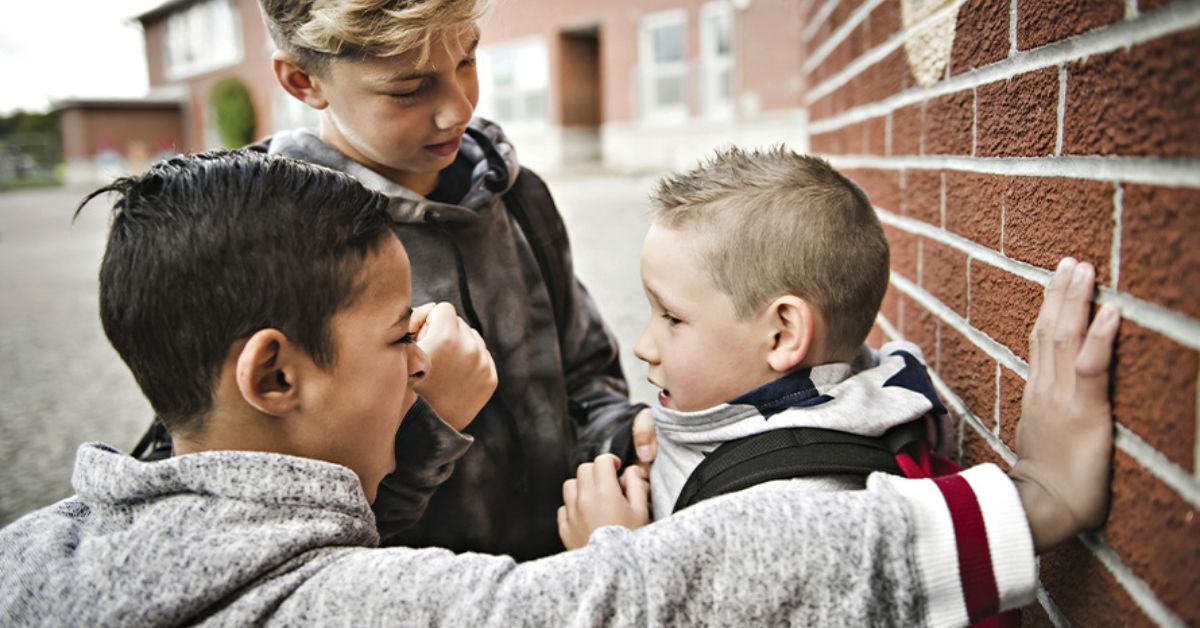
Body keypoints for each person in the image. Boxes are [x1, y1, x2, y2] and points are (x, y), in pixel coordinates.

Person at [0, 151, 1118, 626]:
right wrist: (1037, 507)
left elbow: (279, 550)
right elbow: (635, 604)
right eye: (401, 334)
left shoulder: (48, 549)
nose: (430, 349)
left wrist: (426, 431)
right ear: (276, 370)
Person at [219, 0, 653, 560]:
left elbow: (587, 374)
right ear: (303, 81)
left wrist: (622, 438)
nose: (459, 109)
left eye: (468, 61)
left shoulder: (519, 196)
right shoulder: (261, 241)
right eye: (408, 88)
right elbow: (288, 520)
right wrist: (434, 424)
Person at [558, 147, 949, 533]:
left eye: (673, 318)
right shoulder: (726, 400)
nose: (642, 347)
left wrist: (609, 547)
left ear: (782, 334)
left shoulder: (783, 522)